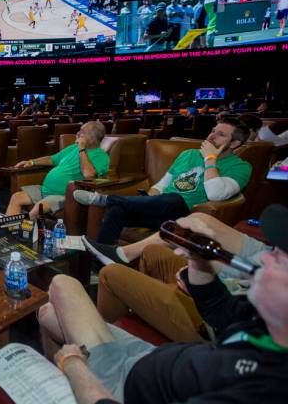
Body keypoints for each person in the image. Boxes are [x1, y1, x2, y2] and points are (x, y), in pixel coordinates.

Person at [37, 204, 288, 403]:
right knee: (48, 312)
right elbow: (218, 307)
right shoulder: (268, 326)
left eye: (280, 261)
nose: (265, 257)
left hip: (120, 386)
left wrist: (72, 365)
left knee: (61, 285)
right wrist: (199, 261)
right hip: (149, 358)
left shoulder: (263, 388)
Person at [74, 118, 252, 266]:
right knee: (118, 210)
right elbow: (160, 186)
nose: (212, 136)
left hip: (186, 216)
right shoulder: (188, 154)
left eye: (221, 134)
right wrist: (146, 203)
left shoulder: (241, 167)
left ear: (235, 143)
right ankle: (103, 264)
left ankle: (107, 199)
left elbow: (215, 194)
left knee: (173, 199)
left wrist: (210, 158)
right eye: (213, 130)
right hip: (160, 209)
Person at [97, 211, 270, 342]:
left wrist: (206, 283)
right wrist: (202, 265)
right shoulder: (272, 257)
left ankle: (105, 347)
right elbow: (259, 261)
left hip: (225, 319)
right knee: (152, 251)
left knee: (110, 274)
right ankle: (145, 315)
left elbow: (252, 296)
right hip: (236, 286)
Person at [6, 121, 109, 219]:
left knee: (38, 209)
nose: (77, 134)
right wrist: (31, 162)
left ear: (93, 137)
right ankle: (9, 232)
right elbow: (52, 159)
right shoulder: (73, 148)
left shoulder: (101, 156)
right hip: (45, 190)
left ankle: (24, 234)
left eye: (82, 132)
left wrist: (82, 149)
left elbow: (88, 174)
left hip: (64, 195)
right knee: (16, 197)